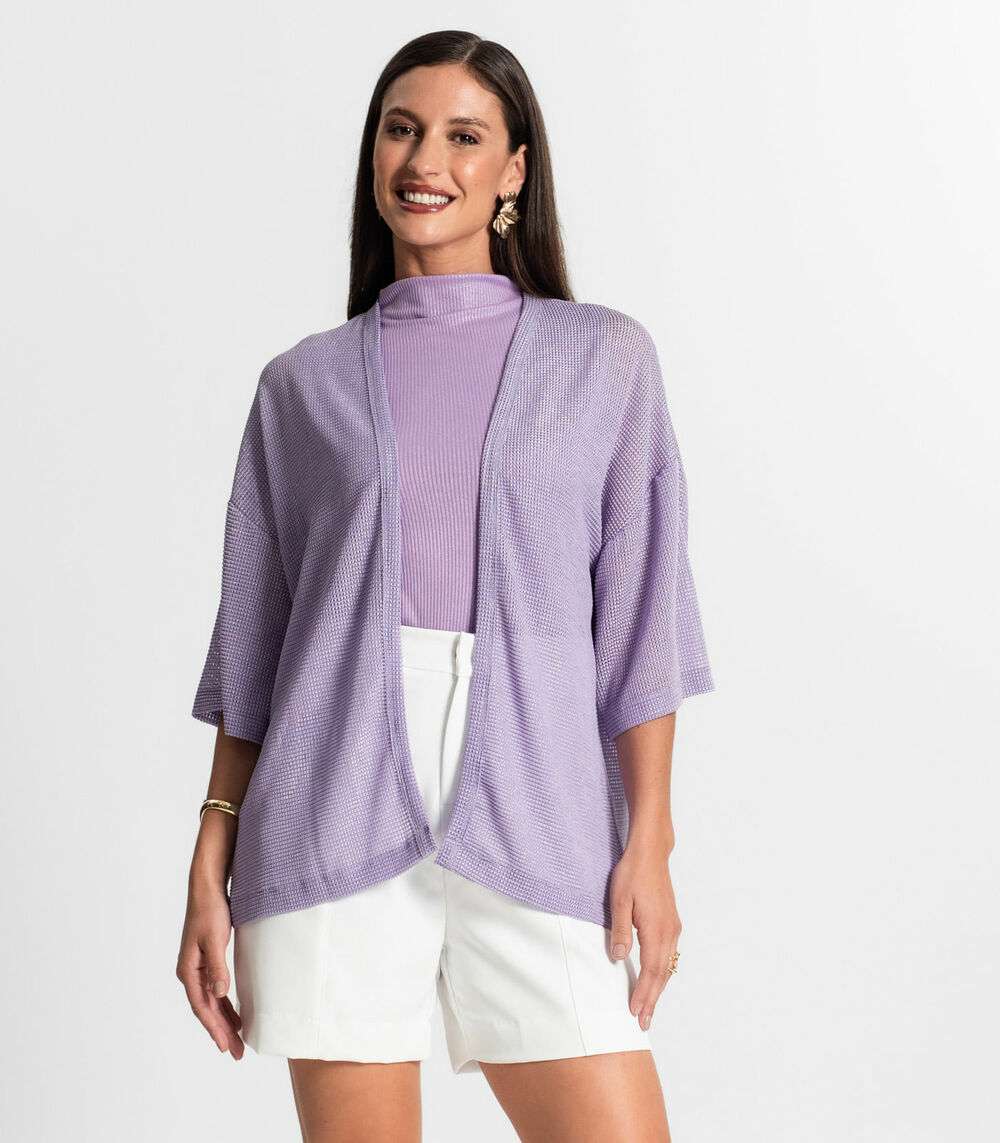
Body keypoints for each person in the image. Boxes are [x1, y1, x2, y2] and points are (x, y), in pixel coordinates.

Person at [177, 29, 714, 1142]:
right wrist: (212, 845)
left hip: (545, 811)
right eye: (402, 129)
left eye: (464, 136)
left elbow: (643, 620)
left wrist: (651, 841)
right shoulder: (301, 387)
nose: (426, 160)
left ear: (514, 169)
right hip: (325, 812)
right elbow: (257, 649)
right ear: (373, 154)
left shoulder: (604, 359)